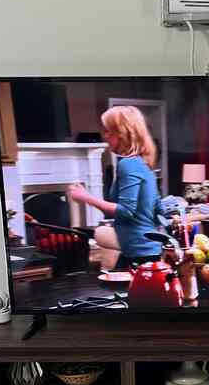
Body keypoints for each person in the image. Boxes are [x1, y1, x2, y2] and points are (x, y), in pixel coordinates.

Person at [67, 106, 162, 267]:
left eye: (108, 131)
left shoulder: (128, 164)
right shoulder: (143, 164)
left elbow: (126, 211)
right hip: (146, 250)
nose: (105, 136)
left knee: (114, 290)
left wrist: (85, 197)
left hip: (138, 253)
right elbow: (158, 209)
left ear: (123, 133)